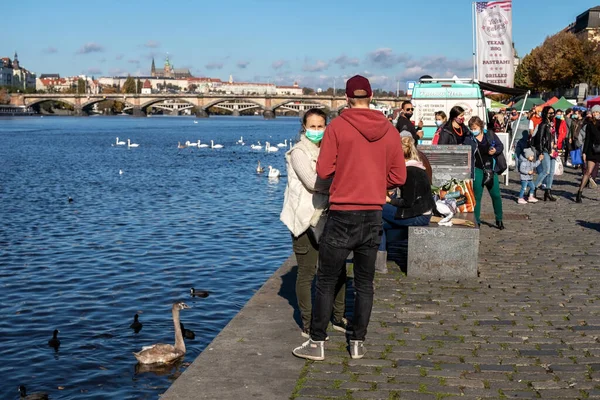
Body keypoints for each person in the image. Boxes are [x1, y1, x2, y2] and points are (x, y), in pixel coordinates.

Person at [292, 75, 406, 361]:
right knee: (365, 283)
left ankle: (317, 341)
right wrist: (378, 185)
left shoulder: (338, 127)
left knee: (326, 280)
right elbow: (399, 176)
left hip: (342, 213)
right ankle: (357, 342)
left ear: (346, 98)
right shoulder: (390, 130)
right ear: (370, 97)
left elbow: (325, 170)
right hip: (373, 213)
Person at [280, 108, 349, 339]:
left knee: (337, 270)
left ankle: (338, 317)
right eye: (313, 127)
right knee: (308, 272)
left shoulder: (331, 150)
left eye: (321, 126)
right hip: (302, 218)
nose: (317, 131)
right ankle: (308, 324)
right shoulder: (298, 152)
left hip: (328, 215)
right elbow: (313, 183)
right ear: (304, 127)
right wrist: (345, 182)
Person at [379, 131, 434, 267]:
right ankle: (379, 262)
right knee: (378, 223)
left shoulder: (409, 172)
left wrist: (389, 200)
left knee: (377, 209)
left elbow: (407, 203)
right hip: (421, 212)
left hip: (418, 215)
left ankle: (379, 261)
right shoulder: (417, 167)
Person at [465, 116, 505, 229]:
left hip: (490, 168)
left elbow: (500, 145)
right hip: (477, 168)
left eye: (475, 128)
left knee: (496, 195)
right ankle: (476, 220)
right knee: (477, 196)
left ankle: (499, 219)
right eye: (471, 128)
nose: (473, 131)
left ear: (481, 127)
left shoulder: (489, 134)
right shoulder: (469, 138)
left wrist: (495, 150)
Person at [533, 106, 558, 201]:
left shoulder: (552, 124)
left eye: (553, 113)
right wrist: (540, 151)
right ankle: (533, 188)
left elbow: (553, 136)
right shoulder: (543, 124)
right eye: (550, 113)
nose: (552, 115)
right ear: (545, 114)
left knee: (551, 172)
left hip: (553, 150)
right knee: (546, 171)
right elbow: (539, 139)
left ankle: (548, 191)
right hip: (545, 150)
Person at [576, 105, 600, 203]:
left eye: (597, 112)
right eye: (594, 112)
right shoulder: (590, 124)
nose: (595, 114)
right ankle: (579, 192)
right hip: (592, 150)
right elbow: (588, 139)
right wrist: (584, 152)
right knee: (588, 171)